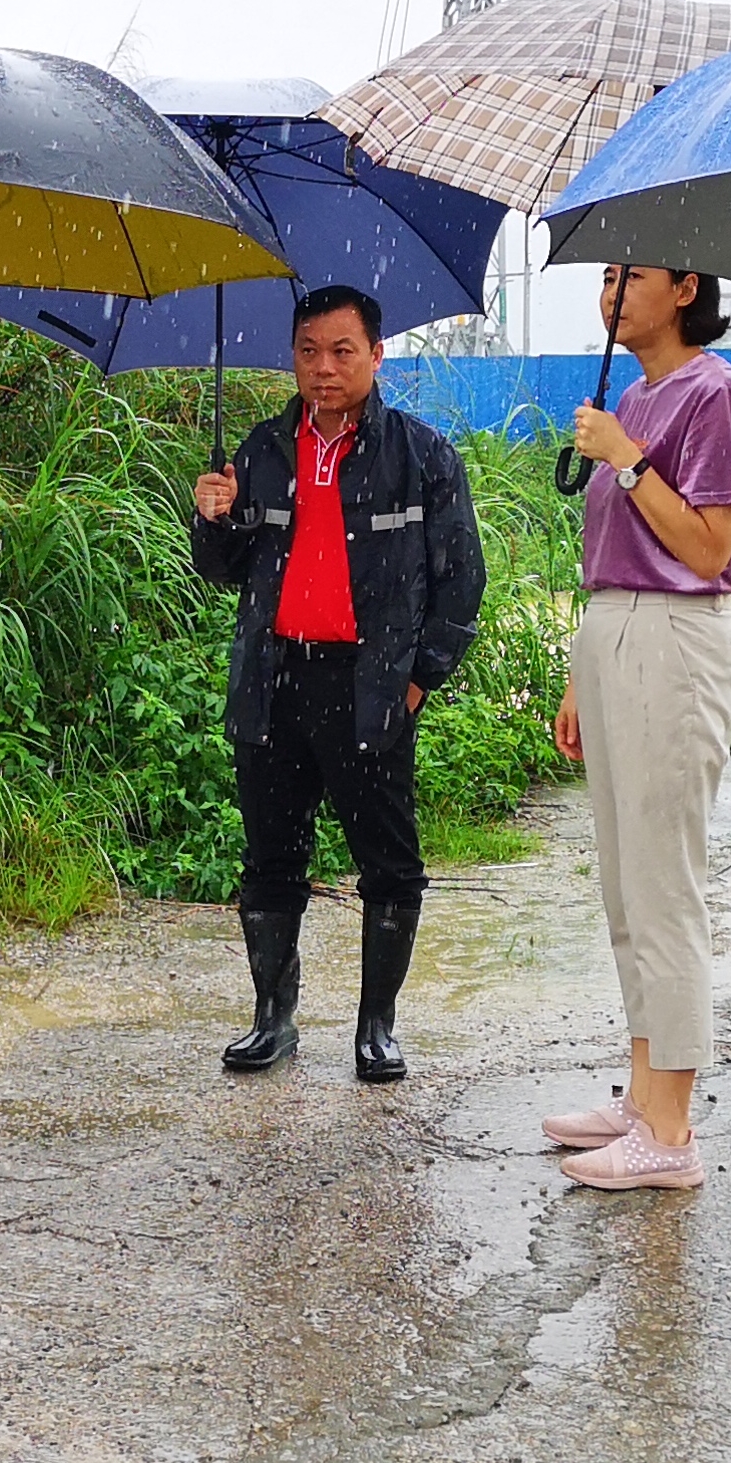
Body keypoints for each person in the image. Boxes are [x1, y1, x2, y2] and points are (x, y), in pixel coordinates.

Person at [190, 284, 485, 1083]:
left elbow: (459, 583)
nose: (323, 368)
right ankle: (272, 1020)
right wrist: (212, 514)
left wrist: (419, 680)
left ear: (375, 355)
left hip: (370, 686)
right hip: (273, 681)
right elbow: (221, 573)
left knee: (388, 863)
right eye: (308, 351)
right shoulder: (259, 449)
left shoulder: (421, 455)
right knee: (270, 859)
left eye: (341, 351)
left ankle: (375, 1027)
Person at [542, 267, 731, 1190]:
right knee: (627, 887)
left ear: (683, 289)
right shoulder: (632, 392)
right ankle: (641, 1096)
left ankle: (669, 1134)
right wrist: (581, 674)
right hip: (617, 631)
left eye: (631, 276)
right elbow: (616, 553)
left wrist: (628, 459)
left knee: (665, 886)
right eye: (604, 276)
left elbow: (710, 547)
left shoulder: (715, 394)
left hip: (674, 637)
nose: (611, 291)